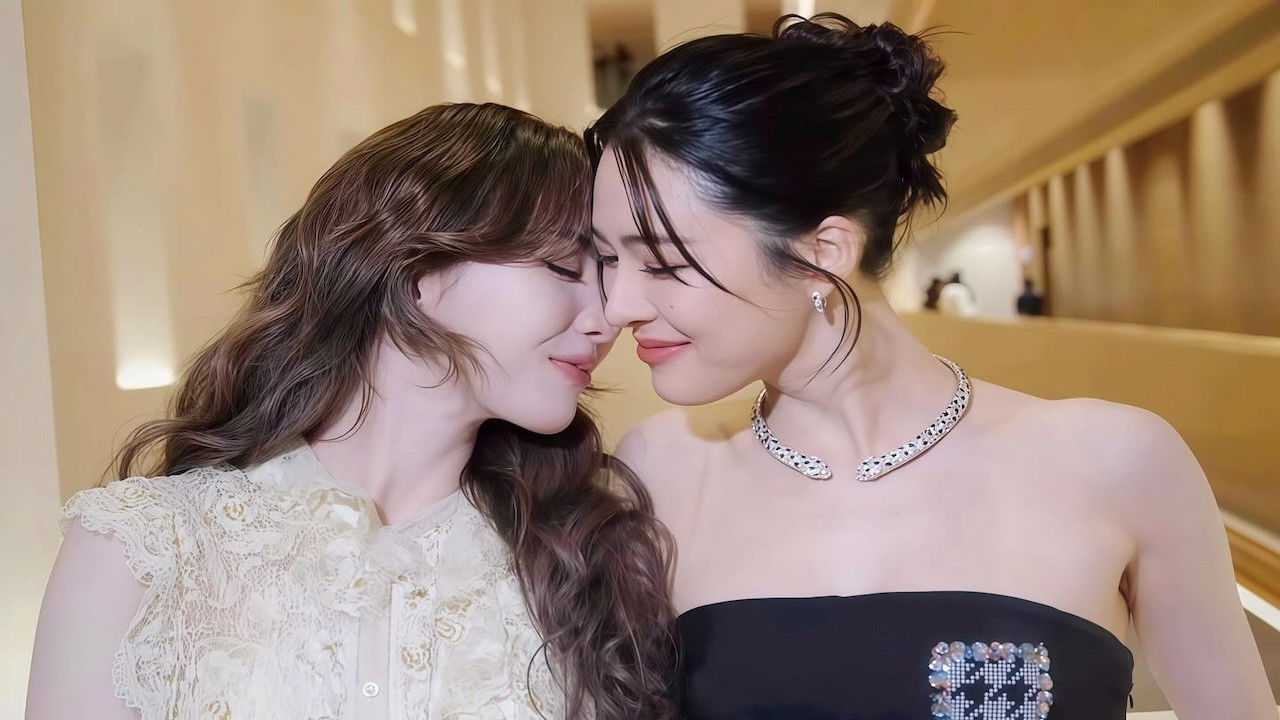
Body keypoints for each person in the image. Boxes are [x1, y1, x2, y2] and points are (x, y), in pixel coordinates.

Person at [586, 13, 1274, 719]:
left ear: (823, 253)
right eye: (606, 260)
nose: (618, 304)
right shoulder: (661, 470)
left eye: (660, 262)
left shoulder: (1115, 462)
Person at [27, 103, 679, 720]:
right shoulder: (143, 546)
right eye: (565, 267)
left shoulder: (591, 552)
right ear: (416, 268)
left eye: (604, 277)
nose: (608, 319)